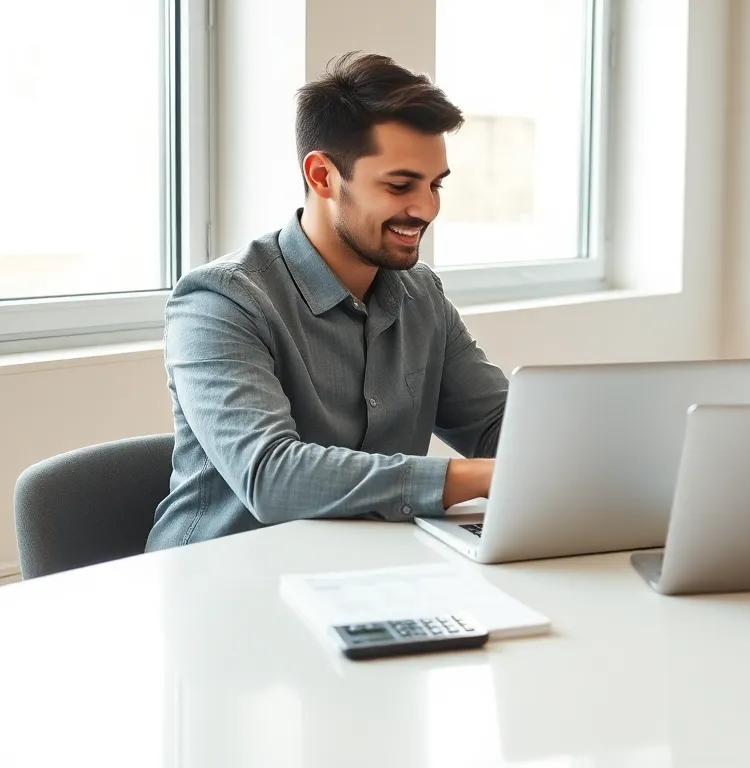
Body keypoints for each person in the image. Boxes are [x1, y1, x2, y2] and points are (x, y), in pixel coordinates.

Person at [146, 52, 508, 551]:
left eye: (435, 185)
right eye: (400, 185)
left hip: (366, 572)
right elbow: (272, 477)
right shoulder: (219, 302)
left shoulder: (422, 295)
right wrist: (480, 477)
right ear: (322, 176)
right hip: (222, 582)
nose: (426, 208)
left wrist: (585, 457)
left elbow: (494, 424)